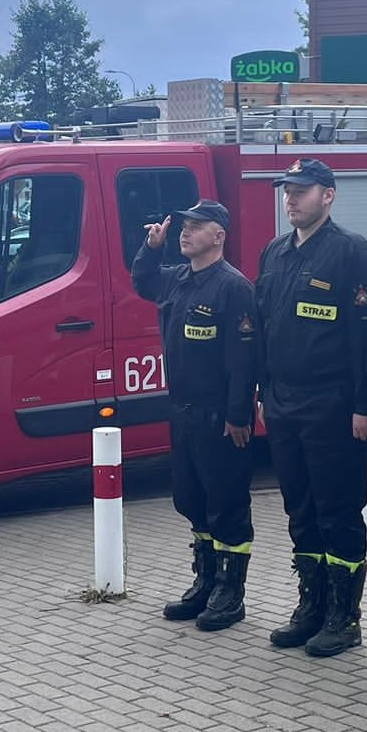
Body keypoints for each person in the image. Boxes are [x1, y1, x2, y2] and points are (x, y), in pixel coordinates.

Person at [253, 159, 367, 657]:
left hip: (333, 403)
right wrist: (263, 391)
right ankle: (311, 606)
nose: (291, 199)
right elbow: (265, 327)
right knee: (300, 510)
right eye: (287, 190)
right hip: (284, 402)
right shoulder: (275, 252)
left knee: (337, 511)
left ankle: (344, 617)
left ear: (328, 195)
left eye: (301, 191)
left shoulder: (352, 253)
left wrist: (366, 405)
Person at [132, 200, 259, 631]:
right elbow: (143, 280)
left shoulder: (233, 287)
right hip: (183, 412)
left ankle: (230, 593)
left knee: (227, 503)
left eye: (196, 226)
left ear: (218, 235)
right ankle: (205, 582)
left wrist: (238, 415)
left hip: (218, 416)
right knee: (191, 499)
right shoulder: (176, 279)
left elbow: (243, 359)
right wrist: (152, 247)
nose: (185, 232)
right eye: (184, 225)